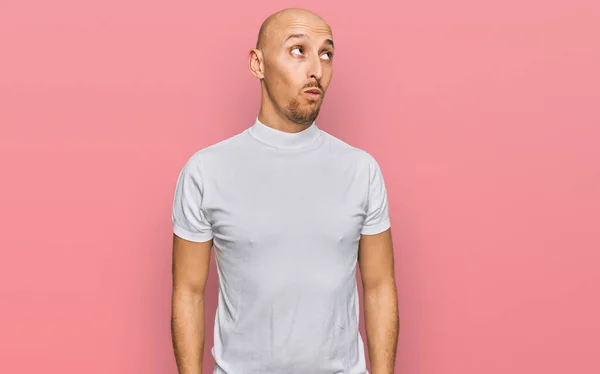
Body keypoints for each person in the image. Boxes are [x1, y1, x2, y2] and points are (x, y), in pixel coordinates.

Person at [170, 7, 399, 374]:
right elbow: (188, 292)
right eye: (298, 50)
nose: (316, 70)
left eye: (326, 54)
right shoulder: (206, 171)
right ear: (257, 64)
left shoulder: (361, 170)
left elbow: (379, 285)